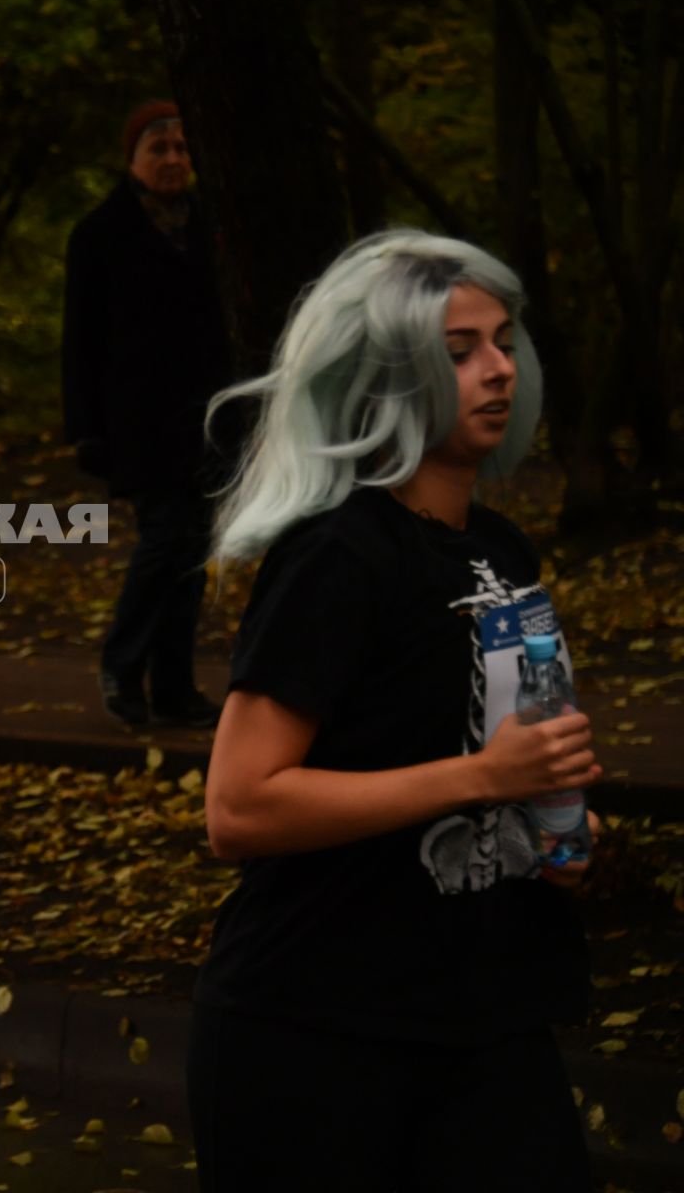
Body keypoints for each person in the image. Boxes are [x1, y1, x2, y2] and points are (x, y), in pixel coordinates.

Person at [188, 231, 598, 1189]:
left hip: (486, 1015)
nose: (498, 369)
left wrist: (548, 815)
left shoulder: (500, 548)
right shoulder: (338, 556)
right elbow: (239, 809)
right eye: (458, 352)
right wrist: (482, 778)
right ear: (387, 375)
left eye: (503, 341)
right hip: (318, 1031)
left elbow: (486, 736)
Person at [61, 99, 232, 727]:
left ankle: (175, 686)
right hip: (137, 423)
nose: (172, 160)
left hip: (205, 421)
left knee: (192, 551)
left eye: (182, 149)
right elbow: (79, 339)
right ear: (132, 158)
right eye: (158, 148)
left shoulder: (210, 227)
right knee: (166, 541)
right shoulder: (101, 233)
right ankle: (121, 666)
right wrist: (84, 428)